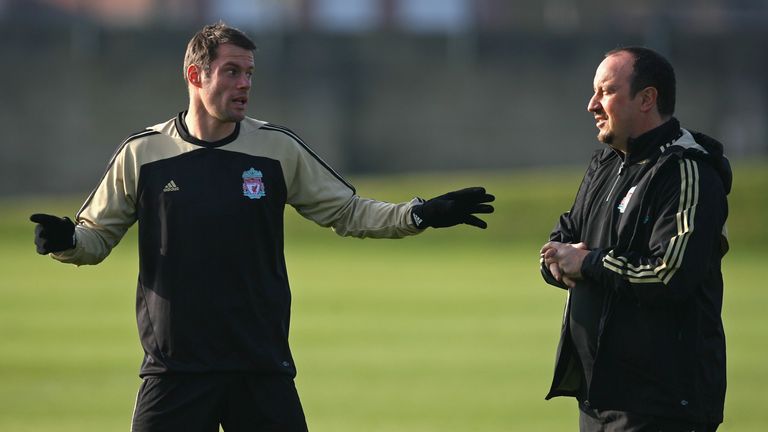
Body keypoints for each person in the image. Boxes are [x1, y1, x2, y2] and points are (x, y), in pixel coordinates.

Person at [30, 22, 494, 432]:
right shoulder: (144, 153)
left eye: (249, 73)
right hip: (174, 368)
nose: (244, 83)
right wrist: (65, 241)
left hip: (260, 364)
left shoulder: (276, 149)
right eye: (232, 71)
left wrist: (418, 214)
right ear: (196, 75)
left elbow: (347, 211)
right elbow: (95, 236)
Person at [539, 46, 730, 431]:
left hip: (661, 405)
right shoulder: (605, 163)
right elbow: (565, 238)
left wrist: (587, 262)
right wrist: (555, 260)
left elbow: (669, 275)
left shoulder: (686, 173)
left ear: (647, 99)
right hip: (599, 399)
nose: (592, 104)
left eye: (606, 91)